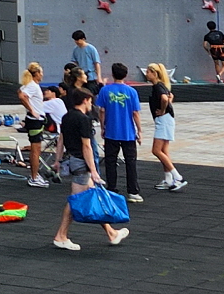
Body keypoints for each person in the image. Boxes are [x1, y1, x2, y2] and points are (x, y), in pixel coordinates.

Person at [51, 87, 126, 251]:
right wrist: (93, 170)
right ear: (85, 100)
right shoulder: (83, 119)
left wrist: (57, 160)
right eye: (91, 101)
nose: (91, 104)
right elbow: (87, 146)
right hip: (81, 163)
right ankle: (60, 236)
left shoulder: (67, 116)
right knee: (75, 200)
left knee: (94, 196)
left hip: (72, 160)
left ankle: (111, 233)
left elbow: (61, 140)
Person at [96, 62, 144, 201]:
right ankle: (133, 191)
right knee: (131, 162)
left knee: (110, 161)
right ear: (125, 75)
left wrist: (103, 127)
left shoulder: (105, 90)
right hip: (128, 132)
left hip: (111, 131)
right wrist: (139, 130)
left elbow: (102, 110)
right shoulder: (132, 92)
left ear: (112, 74)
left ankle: (112, 188)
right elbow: (135, 113)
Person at [145, 62, 185, 191]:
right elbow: (169, 97)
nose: (146, 74)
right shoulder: (162, 86)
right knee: (164, 151)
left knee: (156, 151)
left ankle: (177, 177)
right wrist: (167, 106)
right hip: (166, 119)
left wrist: (162, 110)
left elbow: (165, 98)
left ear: (154, 73)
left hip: (163, 120)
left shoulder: (158, 87)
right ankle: (168, 179)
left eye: (148, 72)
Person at [17, 62, 53, 186]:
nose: (42, 75)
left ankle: (35, 175)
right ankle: (34, 178)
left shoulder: (29, 85)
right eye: (41, 72)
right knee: (35, 150)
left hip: (34, 120)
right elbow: (22, 96)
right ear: (36, 73)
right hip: (35, 121)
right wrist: (32, 110)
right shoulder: (32, 85)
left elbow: (20, 91)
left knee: (36, 149)